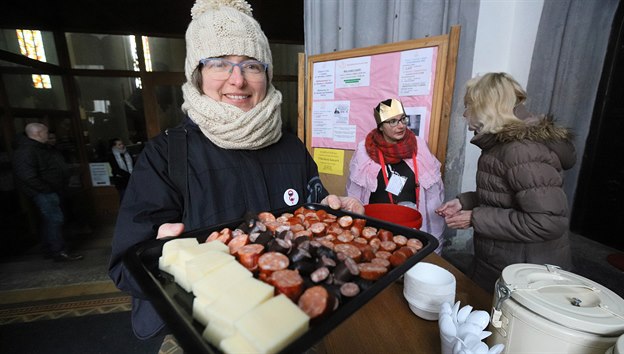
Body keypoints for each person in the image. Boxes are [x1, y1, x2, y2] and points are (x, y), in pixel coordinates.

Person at [108, 0, 363, 342]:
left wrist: (333, 215)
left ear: (266, 75)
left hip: (293, 316)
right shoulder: (165, 154)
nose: (238, 80)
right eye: (219, 64)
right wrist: (158, 254)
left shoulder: (291, 148)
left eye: (252, 65)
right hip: (205, 333)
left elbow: (313, 213)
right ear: (197, 74)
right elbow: (125, 269)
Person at [436, 72, 576, 293]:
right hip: (505, 261)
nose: (465, 114)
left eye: (469, 106)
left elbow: (547, 222)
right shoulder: (503, 144)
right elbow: (507, 195)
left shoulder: (521, 150)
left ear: (487, 108)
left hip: (526, 273)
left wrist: (476, 217)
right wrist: (465, 202)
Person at [346, 98, 446, 253]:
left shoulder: (419, 146)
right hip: (375, 230)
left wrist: (433, 240)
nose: (400, 126)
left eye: (402, 119)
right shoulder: (364, 150)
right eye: (392, 121)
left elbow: (434, 193)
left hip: (412, 228)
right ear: (380, 127)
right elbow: (354, 195)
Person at [12, 123, 83, 262]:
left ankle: (50, 248)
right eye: (45, 133)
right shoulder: (27, 151)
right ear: (38, 133)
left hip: (52, 190)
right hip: (44, 192)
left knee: (51, 220)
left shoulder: (41, 148)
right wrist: (47, 189)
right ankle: (58, 250)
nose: (48, 136)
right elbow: (27, 176)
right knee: (55, 220)